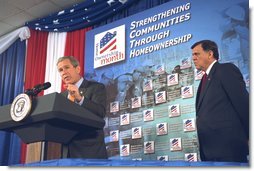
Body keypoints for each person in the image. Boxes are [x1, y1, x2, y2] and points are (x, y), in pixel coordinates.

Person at [191, 40, 249, 162]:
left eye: (197, 54)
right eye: (193, 55)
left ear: (210, 54)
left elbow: (243, 104)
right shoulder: (204, 79)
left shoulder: (225, 70)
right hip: (209, 151)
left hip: (229, 149)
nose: (193, 58)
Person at [57, 56, 108, 159]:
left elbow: (100, 112)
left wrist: (80, 99)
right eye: (60, 70)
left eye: (67, 67)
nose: (63, 72)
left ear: (78, 69)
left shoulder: (96, 88)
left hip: (90, 151)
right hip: (66, 152)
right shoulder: (61, 96)